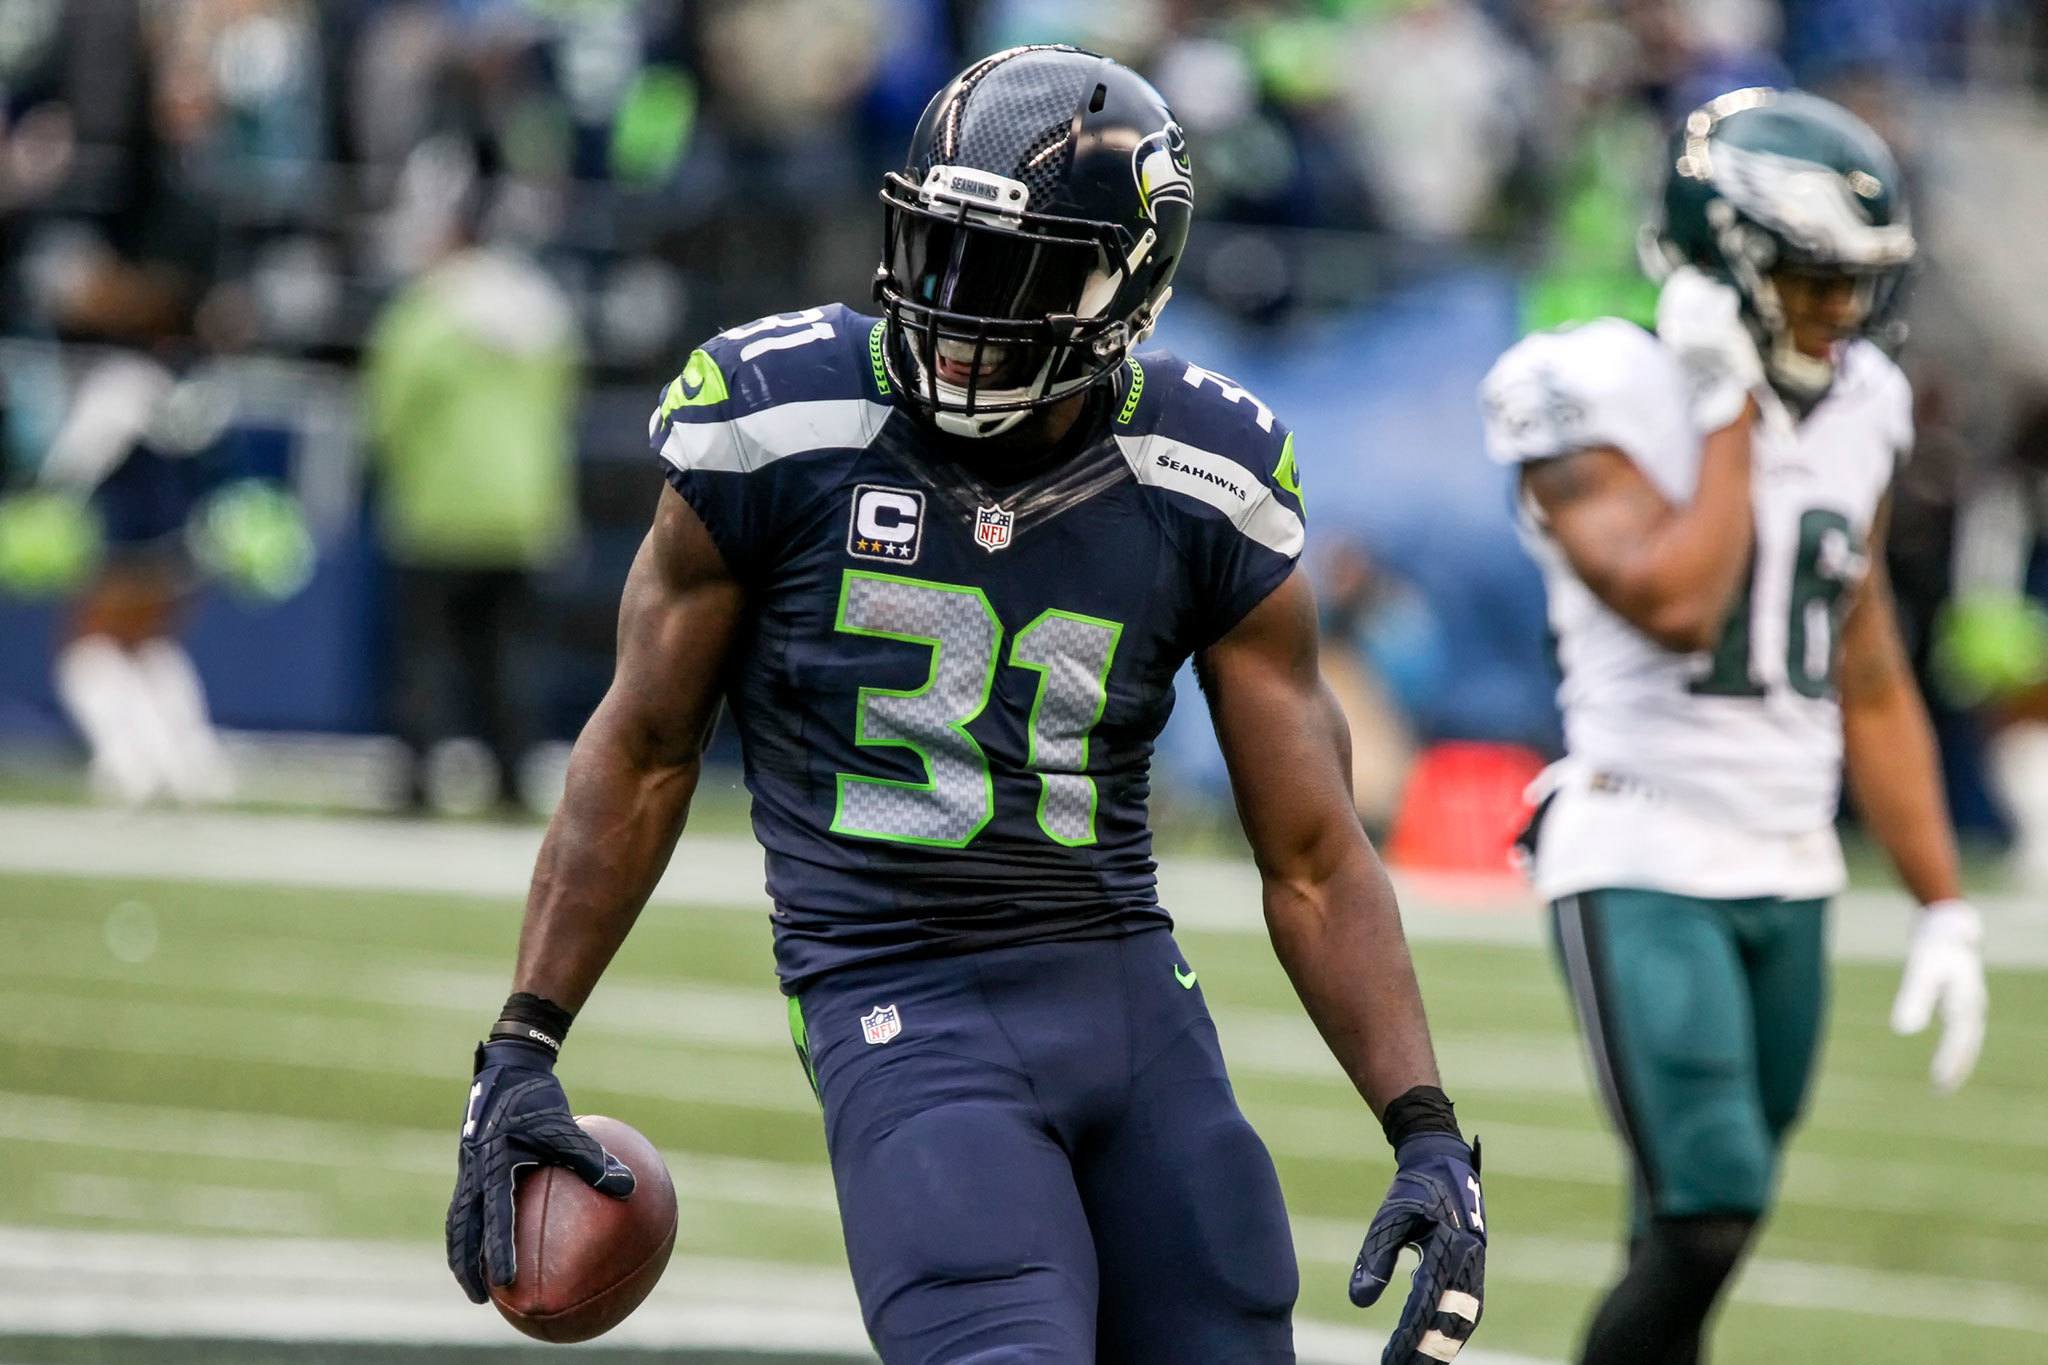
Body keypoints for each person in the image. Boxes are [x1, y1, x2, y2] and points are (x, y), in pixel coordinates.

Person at [444, 46, 1486, 1365]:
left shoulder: (1203, 469)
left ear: (1131, 288)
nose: (959, 306)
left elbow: (1318, 852)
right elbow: (643, 751)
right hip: (897, 992)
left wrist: (1426, 1128)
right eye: (940, 251)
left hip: (1124, 988)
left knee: (1231, 1326)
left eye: (1017, 270)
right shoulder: (779, 420)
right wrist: (525, 1043)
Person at [1480, 88, 1989, 1364]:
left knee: (1686, 1226)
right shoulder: (1579, 381)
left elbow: (1862, 664)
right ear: (1725, 256)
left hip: (1789, 860)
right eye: (1811, 277)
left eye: (1853, 281)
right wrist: (1722, 407)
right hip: (1640, 844)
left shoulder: (1863, 397)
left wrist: (1939, 898)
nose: (1839, 310)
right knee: (1711, 1208)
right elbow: (1672, 596)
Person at [363, 186, 581, 813]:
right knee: (509, 658)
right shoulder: (545, 315)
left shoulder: (424, 316)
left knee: (426, 655)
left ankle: (419, 778)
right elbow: (563, 405)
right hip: (525, 510)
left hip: (440, 509)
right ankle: (512, 776)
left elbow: (388, 412)